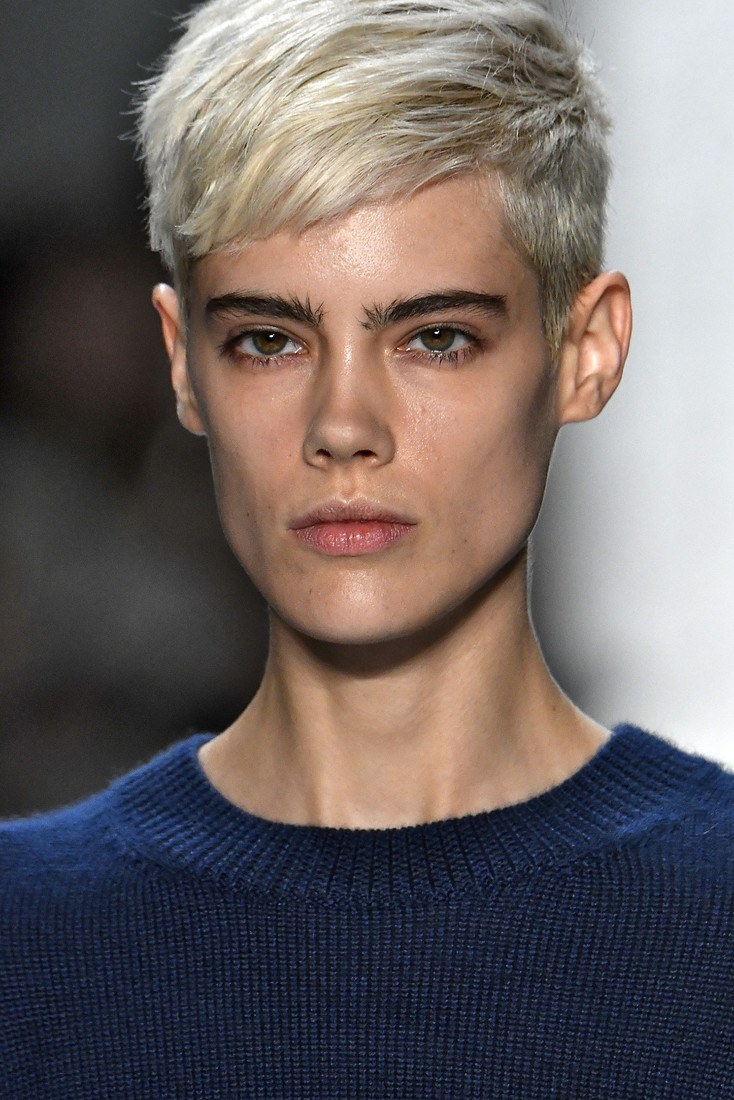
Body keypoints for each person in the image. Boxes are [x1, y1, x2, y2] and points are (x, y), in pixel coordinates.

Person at [2, 0, 733, 1096]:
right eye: (268, 340)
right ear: (183, 363)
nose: (343, 424)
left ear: (585, 352)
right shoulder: (25, 948)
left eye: (435, 337)